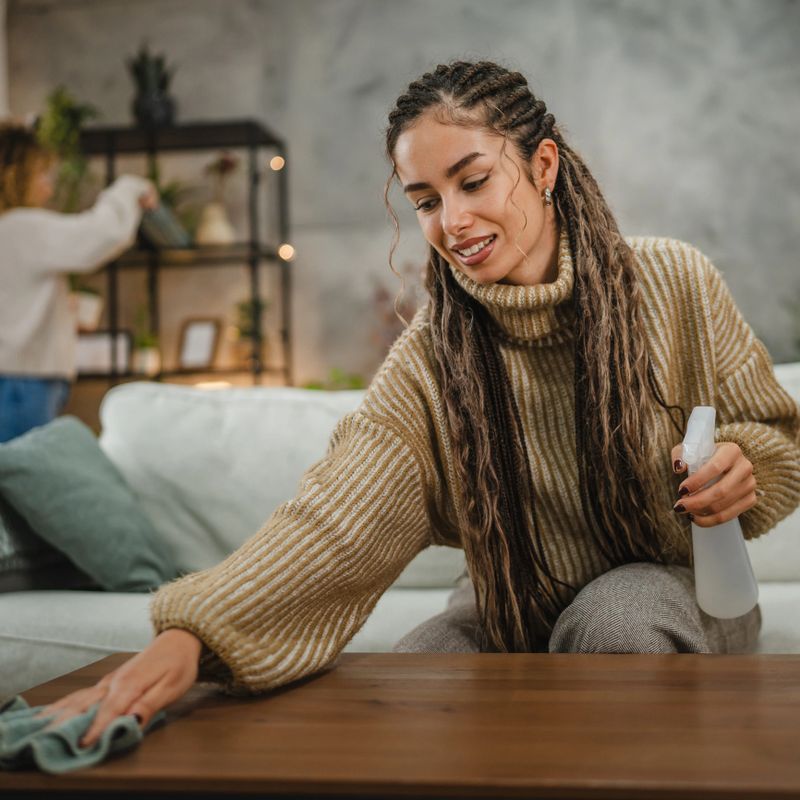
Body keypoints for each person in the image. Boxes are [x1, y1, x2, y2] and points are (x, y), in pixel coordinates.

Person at [32, 60, 800, 748]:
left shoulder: (674, 279)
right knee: (421, 669)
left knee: (616, 616)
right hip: (512, 600)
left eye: (473, 181)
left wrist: (743, 467)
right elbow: (334, 520)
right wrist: (191, 639)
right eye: (426, 200)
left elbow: (774, 435)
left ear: (542, 165)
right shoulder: (434, 356)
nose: (452, 222)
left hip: (676, 588)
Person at [0, 122, 157, 442]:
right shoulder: (21, 227)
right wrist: (128, 188)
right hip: (22, 385)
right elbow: (101, 234)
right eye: (42, 175)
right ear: (15, 175)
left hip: (17, 381)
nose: (49, 188)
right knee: (25, 479)